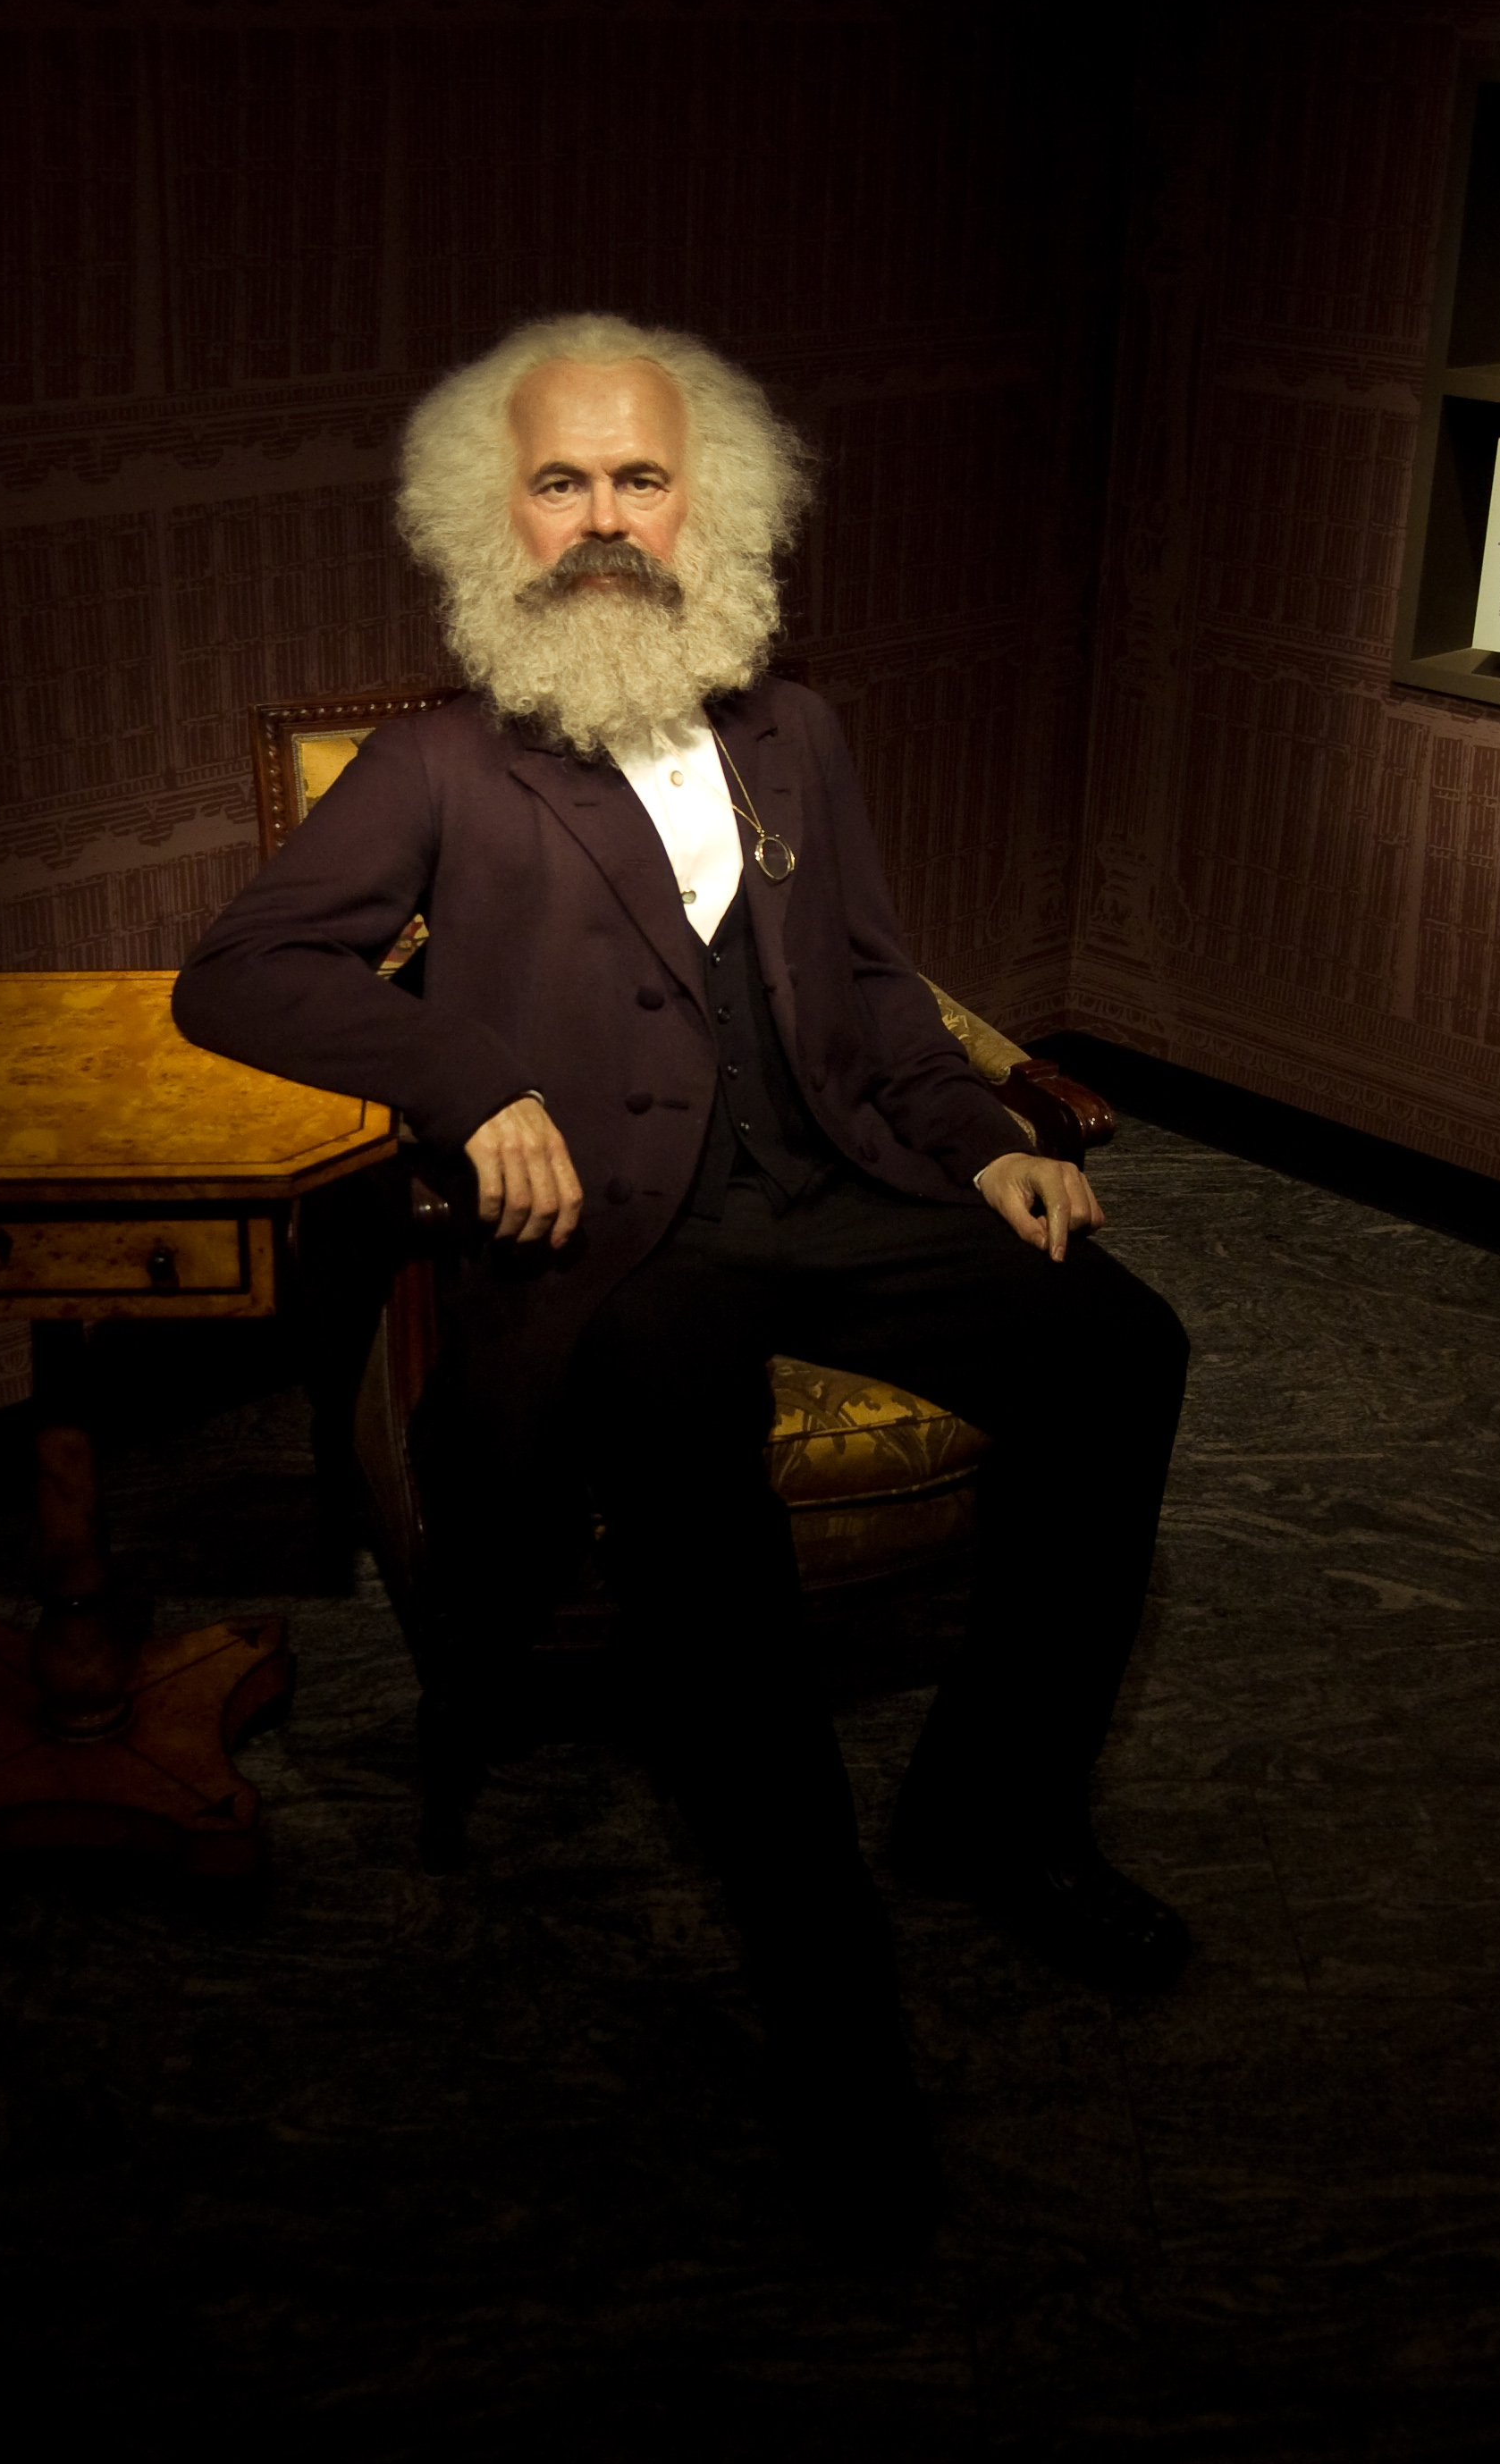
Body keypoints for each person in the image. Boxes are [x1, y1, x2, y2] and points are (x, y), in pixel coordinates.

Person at [173, 313, 1191, 2251]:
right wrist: (471, 1084)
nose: (603, 518)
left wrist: (979, 1137)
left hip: (836, 1181)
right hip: (622, 1247)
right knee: (706, 1542)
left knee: (1123, 1349)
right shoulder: (438, 762)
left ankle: (993, 1811)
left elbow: (873, 986)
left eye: (640, 477)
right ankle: (834, 2007)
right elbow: (238, 972)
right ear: (492, 516)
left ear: (704, 503)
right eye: (560, 480)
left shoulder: (797, 726)